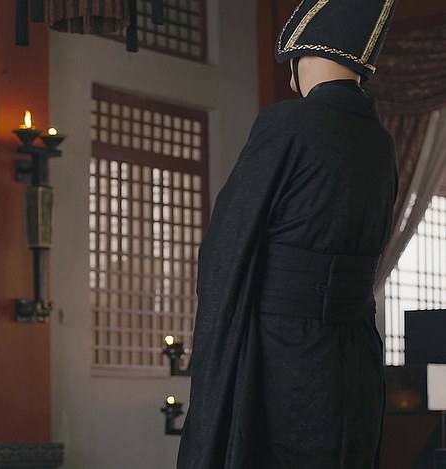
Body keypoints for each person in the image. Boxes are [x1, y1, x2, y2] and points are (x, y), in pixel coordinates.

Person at [177, 1, 399, 467]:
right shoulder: (380, 141)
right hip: (356, 349)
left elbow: (229, 243)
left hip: (283, 349)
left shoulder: (288, 122)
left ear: (301, 58)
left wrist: (218, 344)